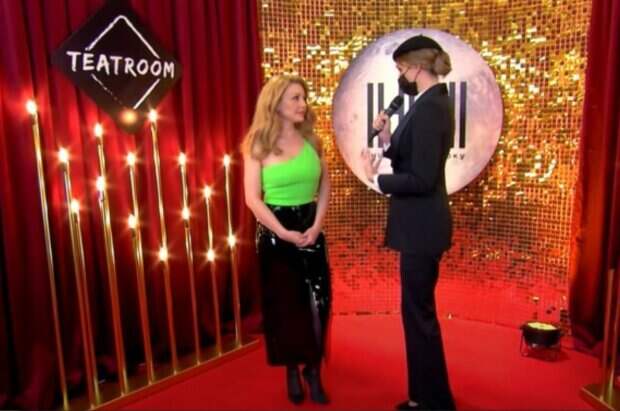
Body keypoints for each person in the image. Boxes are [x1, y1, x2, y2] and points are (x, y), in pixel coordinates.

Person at [361, 35, 456, 411]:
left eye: (401, 68)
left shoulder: (432, 107)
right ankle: (425, 397)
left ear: (416, 67)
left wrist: (376, 180)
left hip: (423, 228)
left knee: (419, 316)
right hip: (420, 227)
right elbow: (412, 162)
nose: (400, 75)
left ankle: (433, 401)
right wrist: (386, 137)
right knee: (416, 314)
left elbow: (422, 179)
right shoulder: (427, 103)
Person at [242, 75, 331, 405]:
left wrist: (317, 225)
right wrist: (281, 232)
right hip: (275, 233)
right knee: (286, 306)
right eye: (295, 98)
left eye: (303, 97)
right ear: (275, 102)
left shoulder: (313, 141)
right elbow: (253, 199)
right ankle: (292, 368)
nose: (302, 104)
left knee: (319, 304)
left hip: (310, 228)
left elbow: (325, 186)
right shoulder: (257, 145)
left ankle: (313, 370)